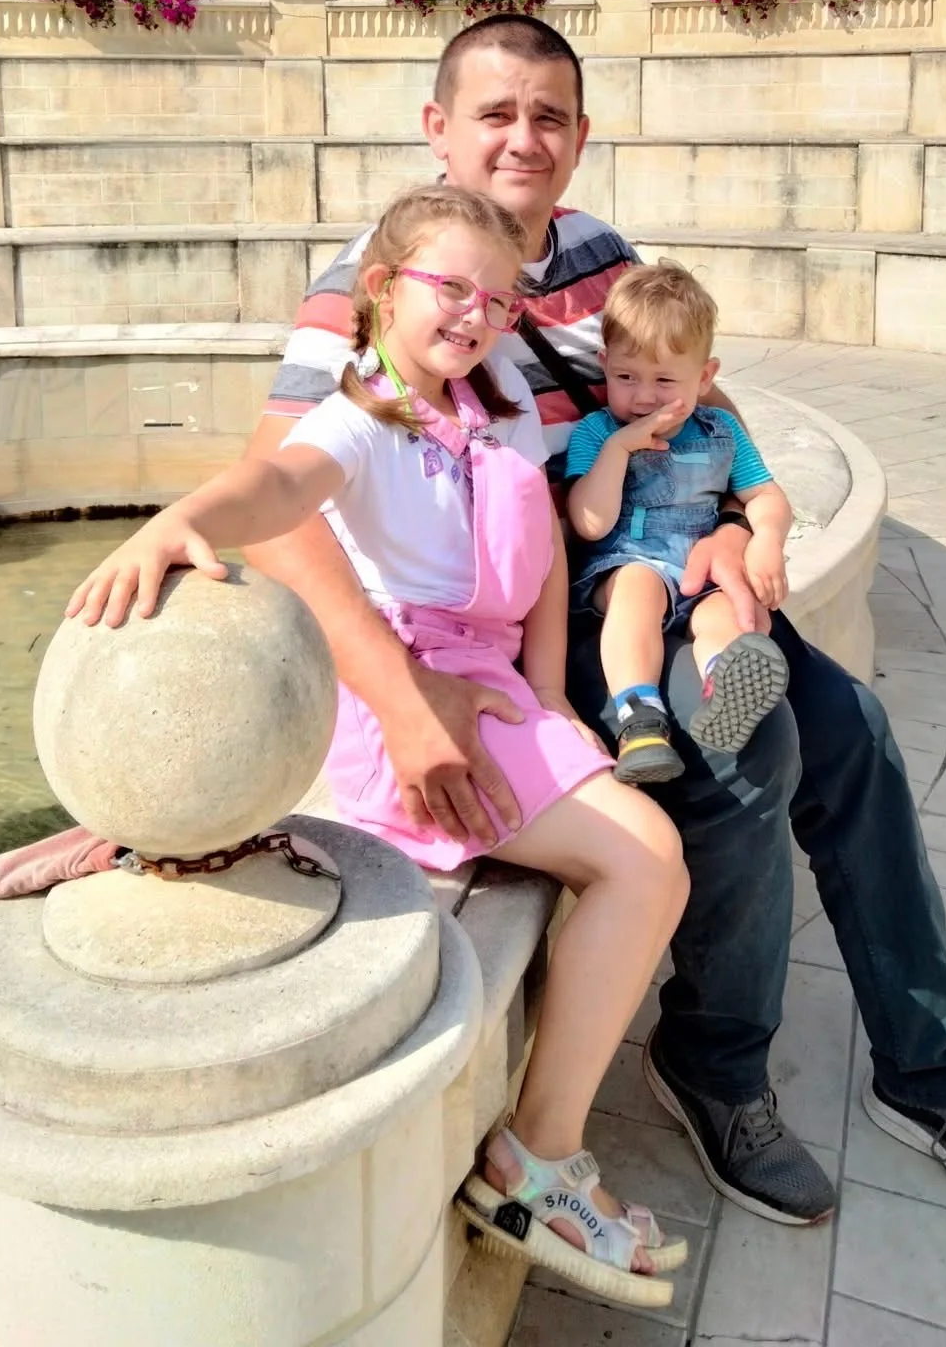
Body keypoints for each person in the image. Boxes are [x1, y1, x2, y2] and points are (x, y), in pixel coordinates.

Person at [244, 14, 946, 1236]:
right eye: (495, 113)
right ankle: (716, 1068)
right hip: (559, 607)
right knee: (744, 754)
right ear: (438, 128)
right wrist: (401, 698)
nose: (523, 138)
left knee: (853, 731)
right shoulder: (387, 276)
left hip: (676, 568)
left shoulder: (597, 250)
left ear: (579, 138)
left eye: (549, 116)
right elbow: (272, 501)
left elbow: (699, 396)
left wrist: (744, 517)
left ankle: (935, 1073)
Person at [68, 184, 693, 1309]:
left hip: (496, 684)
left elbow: (547, 550)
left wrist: (552, 694)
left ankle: (540, 1153)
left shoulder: (493, 400)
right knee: (645, 859)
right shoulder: (359, 416)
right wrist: (182, 520)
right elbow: (278, 482)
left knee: (648, 856)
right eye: (450, 286)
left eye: (497, 299)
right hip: (411, 694)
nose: (474, 313)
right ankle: (535, 1163)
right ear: (381, 289)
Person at [564, 260, 793, 786]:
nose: (643, 396)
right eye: (625, 377)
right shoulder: (597, 433)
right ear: (604, 365)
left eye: (665, 380)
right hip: (625, 563)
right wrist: (619, 449)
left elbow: (765, 494)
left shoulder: (720, 430)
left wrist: (766, 539)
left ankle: (725, 687)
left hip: (698, 571)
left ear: (704, 378)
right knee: (638, 590)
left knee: (725, 613)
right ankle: (639, 718)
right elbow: (590, 523)